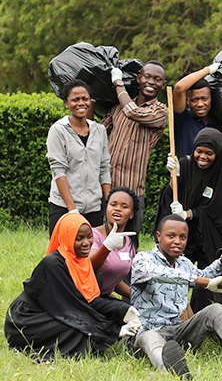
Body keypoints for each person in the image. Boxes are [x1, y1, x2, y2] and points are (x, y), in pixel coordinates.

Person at [131, 214, 222, 379]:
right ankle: (176, 373)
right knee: (151, 338)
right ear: (158, 236)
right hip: (147, 331)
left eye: (183, 237)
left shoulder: (183, 263)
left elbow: (202, 275)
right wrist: (205, 282)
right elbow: (165, 274)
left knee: (216, 310)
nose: (177, 241)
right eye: (171, 236)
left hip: (178, 330)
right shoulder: (143, 259)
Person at [5, 213, 142, 361]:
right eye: (79, 238)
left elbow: (91, 300)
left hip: (59, 309)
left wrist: (123, 310)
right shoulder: (53, 264)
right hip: (28, 319)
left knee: (104, 319)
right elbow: (72, 308)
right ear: (67, 237)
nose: (86, 243)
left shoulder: (82, 261)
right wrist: (113, 331)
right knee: (78, 328)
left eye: (89, 236)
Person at [156, 128, 222, 312]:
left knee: (210, 268)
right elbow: (172, 192)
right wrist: (172, 177)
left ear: (217, 153)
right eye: (199, 151)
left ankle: (202, 314)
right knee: (177, 264)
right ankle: (171, 310)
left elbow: (218, 206)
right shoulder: (184, 164)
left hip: (218, 228)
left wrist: (188, 213)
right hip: (189, 230)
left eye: (209, 153)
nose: (203, 157)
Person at [102, 61, 168, 240]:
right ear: (139, 78)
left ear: (163, 84)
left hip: (132, 194)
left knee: (128, 245)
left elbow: (133, 112)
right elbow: (98, 134)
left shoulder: (160, 112)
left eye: (157, 79)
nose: (151, 82)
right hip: (105, 188)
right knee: (99, 241)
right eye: (147, 77)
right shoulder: (117, 107)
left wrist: (118, 83)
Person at [46, 79, 111, 235]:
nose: (81, 103)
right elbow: (59, 171)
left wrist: (108, 205)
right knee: (61, 256)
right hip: (64, 206)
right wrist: (72, 210)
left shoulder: (99, 130)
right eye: (75, 100)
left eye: (85, 99)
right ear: (66, 103)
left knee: (90, 255)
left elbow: (104, 168)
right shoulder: (58, 130)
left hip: (94, 207)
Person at [88, 187, 140, 299]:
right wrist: (107, 247)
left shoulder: (129, 242)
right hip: (85, 295)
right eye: (113, 205)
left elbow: (113, 281)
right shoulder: (93, 234)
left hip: (104, 296)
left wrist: (139, 296)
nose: (117, 209)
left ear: (131, 214)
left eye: (124, 207)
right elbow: (90, 266)